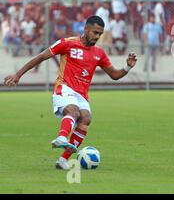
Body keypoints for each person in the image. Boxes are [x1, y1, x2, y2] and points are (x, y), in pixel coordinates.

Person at [3, 16, 138, 170]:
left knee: (86, 118)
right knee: (73, 110)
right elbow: (41, 56)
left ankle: (62, 160)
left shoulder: (99, 53)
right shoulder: (67, 43)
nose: (97, 37)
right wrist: (17, 75)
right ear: (86, 29)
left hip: (82, 94)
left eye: (100, 34)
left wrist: (127, 67)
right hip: (64, 88)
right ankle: (62, 137)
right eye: (95, 32)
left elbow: (114, 75)